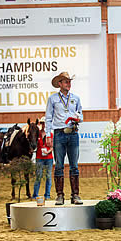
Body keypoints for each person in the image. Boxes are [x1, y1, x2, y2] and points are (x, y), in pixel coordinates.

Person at [46, 72, 83, 205]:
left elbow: (81, 115)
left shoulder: (76, 98)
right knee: (59, 166)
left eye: (69, 81)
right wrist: (48, 134)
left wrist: (78, 118)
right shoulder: (53, 99)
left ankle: (75, 195)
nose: (69, 84)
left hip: (73, 132)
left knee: (74, 165)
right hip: (59, 133)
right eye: (66, 82)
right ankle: (60, 195)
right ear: (60, 84)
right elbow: (48, 117)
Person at [32, 116, 53, 200]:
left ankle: (47, 195)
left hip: (49, 158)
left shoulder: (51, 134)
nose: (44, 125)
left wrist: (48, 151)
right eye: (42, 123)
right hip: (39, 157)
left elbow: (52, 146)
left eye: (45, 123)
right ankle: (35, 195)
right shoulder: (37, 134)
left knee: (48, 176)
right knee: (38, 176)